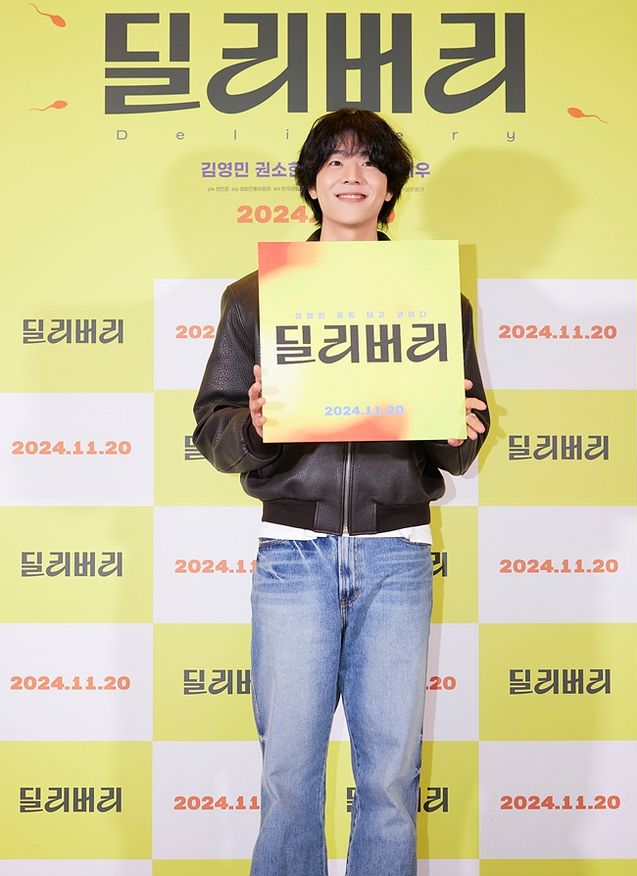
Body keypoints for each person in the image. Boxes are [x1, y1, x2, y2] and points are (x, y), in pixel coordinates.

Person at [193, 109, 489, 876]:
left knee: (389, 780)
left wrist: (460, 428)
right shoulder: (255, 297)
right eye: (334, 161)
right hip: (292, 552)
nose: (351, 174)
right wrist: (256, 425)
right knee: (289, 778)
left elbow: (460, 445)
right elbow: (212, 427)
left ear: (390, 187)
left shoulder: (435, 299)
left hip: (398, 553)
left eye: (368, 161)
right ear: (312, 184)